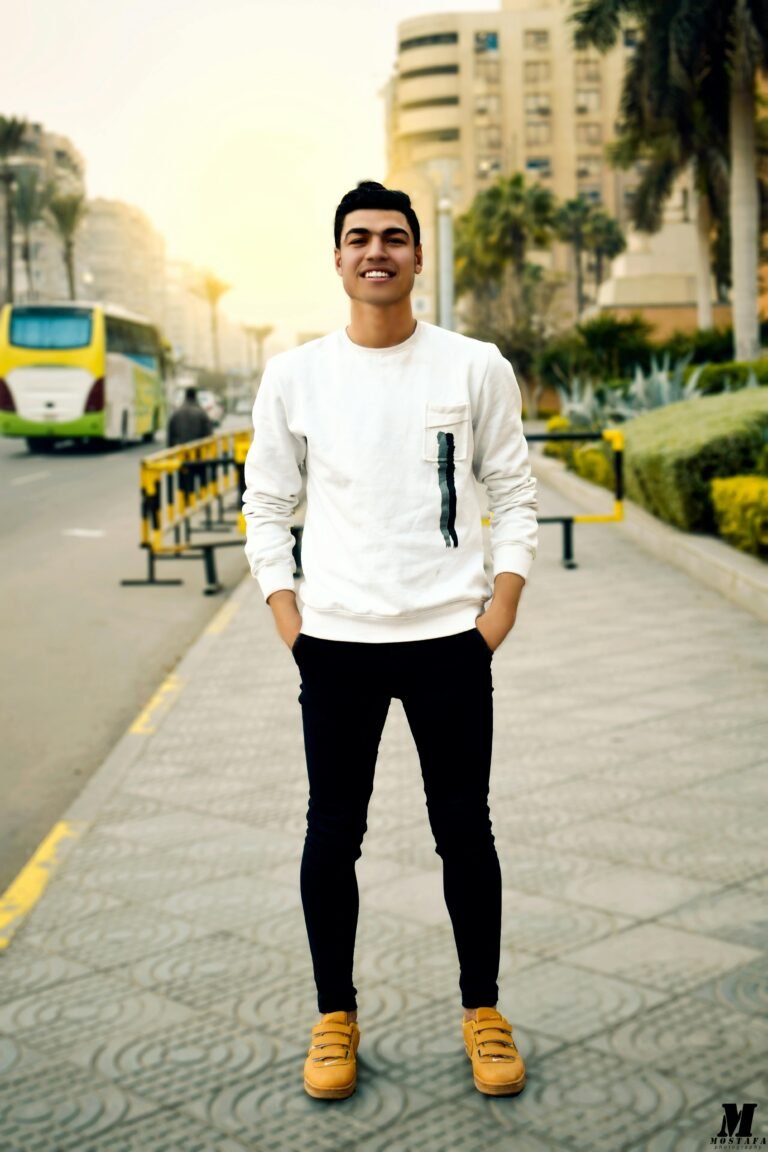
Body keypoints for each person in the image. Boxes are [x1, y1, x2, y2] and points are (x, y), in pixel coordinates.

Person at [242, 181, 537, 1101]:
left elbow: (515, 491)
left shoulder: (473, 364)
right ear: (336, 260)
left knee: (465, 833)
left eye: (395, 238)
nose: (378, 251)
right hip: (334, 646)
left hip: (452, 639)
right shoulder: (296, 375)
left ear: (418, 256)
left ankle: (483, 1011)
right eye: (360, 238)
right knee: (332, 835)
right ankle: (335, 1016)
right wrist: (293, 624)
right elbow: (267, 508)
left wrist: (500, 611)